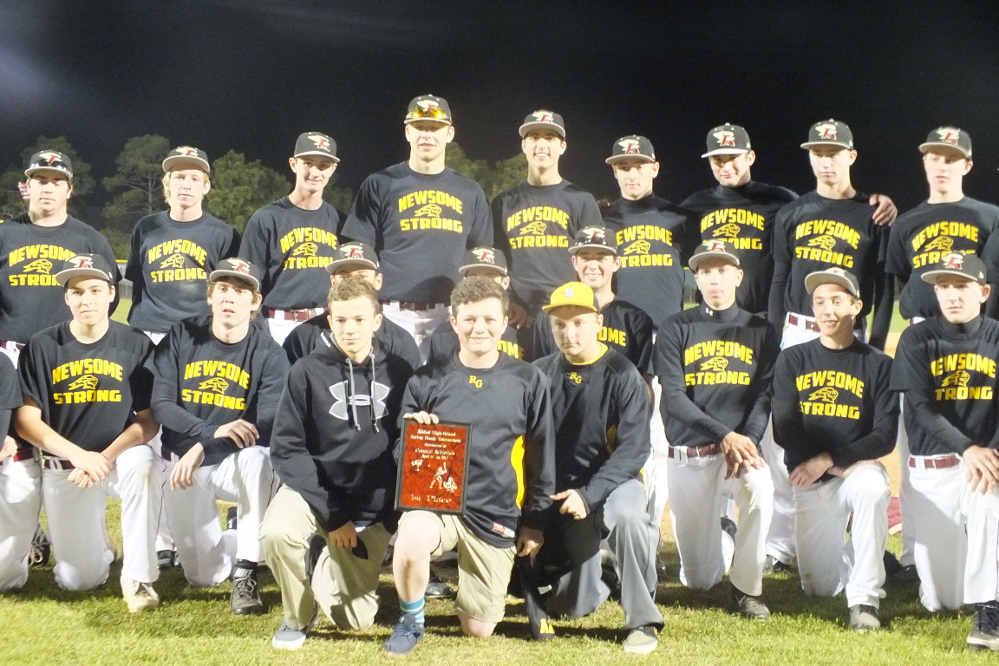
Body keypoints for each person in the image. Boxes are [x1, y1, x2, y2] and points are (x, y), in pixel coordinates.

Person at [384, 277, 555, 657]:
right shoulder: (426, 381)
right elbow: (400, 457)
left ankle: (474, 585)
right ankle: (411, 618)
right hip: (438, 506)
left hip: (493, 511)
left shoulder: (529, 380)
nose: (480, 328)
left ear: (505, 320)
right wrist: (415, 439)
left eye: (490, 319)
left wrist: (535, 522)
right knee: (411, 535)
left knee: (478, 630)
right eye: (471, 319)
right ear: (454, 320)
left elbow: (541, 455)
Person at [262, 277, 414, 649]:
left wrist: (390, 514)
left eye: (359, 320)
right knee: (276, 533)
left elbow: (406, 448)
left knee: (356, 621)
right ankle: (297, 616)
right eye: (341, 320)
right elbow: (287, 449)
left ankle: (320, 562)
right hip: (317, 494)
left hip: (370, 507)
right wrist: (331, 515)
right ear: (329, 321)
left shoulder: (401, 372)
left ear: (377, 321)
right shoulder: (305, 372)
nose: (350, 329)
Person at [14, 254, 160, 611]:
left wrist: (104, 456)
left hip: (118, 459)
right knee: (79, 581)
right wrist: (80, 456)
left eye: (95, 289)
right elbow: (26, 421)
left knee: (144, 466)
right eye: (77, 292)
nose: (86, 299)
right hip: (69, 468)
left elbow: (148, 419)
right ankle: (101, 548)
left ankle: (138, 577)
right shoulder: (43, 345)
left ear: (112, 294)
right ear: (66, 298)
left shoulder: (135, 343)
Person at [884, 127, 999, 580]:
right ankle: (916, 556)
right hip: (920, 336)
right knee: (918, 447)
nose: (942, 164)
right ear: (925, 162)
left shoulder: (989, 216)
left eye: (951, 158)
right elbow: (892, 283)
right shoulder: (906, 221)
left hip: (976, 336)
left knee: (980, 436)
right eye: (934, 156)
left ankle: (981, 549)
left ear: (967, 165)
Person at [150, 258, 289, 614]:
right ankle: (236, 540)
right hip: (185, 467)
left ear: (255, 303)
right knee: (203, 576)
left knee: (259, 458)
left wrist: (206, 444)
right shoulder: (182, 335)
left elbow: (265, 424)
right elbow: (161, 404)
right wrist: (206, 434)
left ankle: (247, 570)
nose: (231, 297)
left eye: (241, 290)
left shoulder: (269, 354)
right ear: (210, 296)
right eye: (223, 288)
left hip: (233, 462)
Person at [533, 281, 662, 654]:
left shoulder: (623, 374)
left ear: (598, 323)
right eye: (560, 324)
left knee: (629, 516)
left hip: (614, 481)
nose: (569, 333)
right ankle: (602, 577)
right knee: (572, 607)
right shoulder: (539, 374)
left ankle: (643, 620)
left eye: (579, 323)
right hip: (563, 491)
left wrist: (589, 496)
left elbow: (633, 451)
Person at [653, 240, 778, 619]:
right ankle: (724, 530)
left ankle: (746, 588)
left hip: (739, 455)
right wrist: (725, 436)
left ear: (738, 276)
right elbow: (673, 398)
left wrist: (748, 442)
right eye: (705, 271)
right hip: (691, 456)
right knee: (699, 579)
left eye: (723, 270)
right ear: (696, 279)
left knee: (760, 489)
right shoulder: (676, 327)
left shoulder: (762, 330)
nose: (714, 279)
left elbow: (764, 396)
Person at [771, 267, 897, 632]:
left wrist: (831, 459)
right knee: (819, 587)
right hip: (813, 479)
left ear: (856, 306)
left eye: (837, 301)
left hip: (855, 473)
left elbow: (885, 435)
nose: (827, 310)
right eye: (820, 302)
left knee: (873, 487)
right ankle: (866, 554)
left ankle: (865, 600)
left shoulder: (879, 364)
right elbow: (785, 429)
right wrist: (832, 465)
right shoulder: (792, 359)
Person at [890, 253, 999, 651]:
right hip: (934, 469)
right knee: (943, 600)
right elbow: (921, 407)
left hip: (982, 467)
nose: (952, 295)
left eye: (962, 286)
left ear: (983, 292)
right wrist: (967, 449)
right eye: (944, 286)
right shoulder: (916, 338)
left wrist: (989, 454)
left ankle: (991, 609)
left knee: (989, 501)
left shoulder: (997, 336)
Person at [341, 94, 492, 359]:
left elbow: (481, 259)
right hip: (390, 313)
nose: (427, 134)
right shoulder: (380, 183)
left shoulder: (470, 191)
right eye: (420, 127)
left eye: (435, 128)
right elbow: (359, 257)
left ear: (450, 134)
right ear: (408, 132)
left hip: (450, 315)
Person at [601, 135, 694, 562]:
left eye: (638, 164)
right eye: (623, 166)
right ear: (614, 171)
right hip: (613, 335)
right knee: (604, 435)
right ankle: (602, 536)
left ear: (654, 168)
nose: (631, 172)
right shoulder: (601, 218)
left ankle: (648, 538)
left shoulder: (680, 218)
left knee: (655, 441)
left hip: (663, 339)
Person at [769, 119, 893, 351]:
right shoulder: (791, 213)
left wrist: (877, 347)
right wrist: (773, 343)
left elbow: (884, 290)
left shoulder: (874, 216)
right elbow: (779, 282)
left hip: (851, 334)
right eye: (818, 153)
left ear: (852, 156)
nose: (825, 162)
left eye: (834, 153)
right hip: (798, 333)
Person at [492, 110, 603, 317]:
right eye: (534, 137)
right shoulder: (503, 202)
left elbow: (594, 262)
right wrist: (507, 302)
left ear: (562, 147)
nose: (541, 145)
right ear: (524, 145)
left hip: (567, 312)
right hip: (517, 314)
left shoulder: (581, 200)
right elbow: (495, 263)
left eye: (550, 138)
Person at [126, 146, 240, 342]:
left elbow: (231, 291)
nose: (186, 185)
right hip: (148, 333)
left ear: (206, 186)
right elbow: (137, 280)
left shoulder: (225, 234)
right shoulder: (145, 227)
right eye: (179, 177)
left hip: (200, 334)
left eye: (195, 179)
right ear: (166, 183)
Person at [239, 132, 341, 345]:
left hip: (326, 323)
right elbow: (248, 285)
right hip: (278, 325)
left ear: (332, 169)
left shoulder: (340, 221)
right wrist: (258, 331)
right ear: (293, 164)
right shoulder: (265, 219)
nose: (315, 172)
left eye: (323, 165)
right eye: (308, 163)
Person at [281, 241, 420, 370]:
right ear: (333, 282)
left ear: (378, 281)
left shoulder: (400, 341)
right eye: (344, 276)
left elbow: (411, 394)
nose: (353, 282)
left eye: (362, 276)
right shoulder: (302, 337)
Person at [532, 226, 653, 374]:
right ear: (575, 262)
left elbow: (643, 385)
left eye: (601, 257)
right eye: (585, 257)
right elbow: (537, 375)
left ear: (616, 263)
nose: (593, 265)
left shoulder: (635, 319)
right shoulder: (550, 316)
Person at [426, 246, 532, 365]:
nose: (482, 282)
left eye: (490, 276)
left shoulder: (527, 330)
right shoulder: (444, 334)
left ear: (505, 282)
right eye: (474, 276)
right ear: (464, 281)